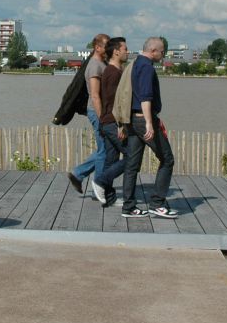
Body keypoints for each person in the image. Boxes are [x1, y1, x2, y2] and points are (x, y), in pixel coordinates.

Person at [120, 37, 178, 218]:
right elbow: (145, 97)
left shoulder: (135, 63)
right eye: (162, 52)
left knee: (132, 164)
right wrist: (149, 123)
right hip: (142, 120)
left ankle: (128, 207)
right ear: (153, 50)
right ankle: (157, 203)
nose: (163, 55)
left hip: (132, 119)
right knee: (167, 159)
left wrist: (123, 122)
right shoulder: (146, 67)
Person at [66, 34, 109, 195]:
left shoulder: (101, 63)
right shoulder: (94, 66)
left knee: (104, 149)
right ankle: (99, 186)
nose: (109, 50)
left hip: (101, 111)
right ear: (97, 47)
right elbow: (95, 95)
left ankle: (78, 174)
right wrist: (102, 118)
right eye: (106, 46)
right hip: (97, 111)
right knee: (104, 150)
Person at [89, 36, 130, 207]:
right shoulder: (113, 73)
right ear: (116, 51)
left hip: (108, 122)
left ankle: (109, 197)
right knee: (131, 156)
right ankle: (100, 181)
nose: (128, 52)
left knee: (111, 159)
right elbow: (115, 102)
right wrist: (121, 124)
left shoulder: (114, 70)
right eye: (125, 49)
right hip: (113, 123)